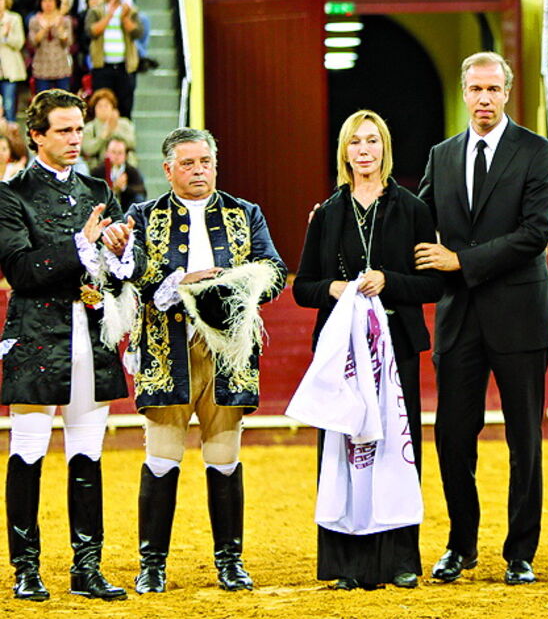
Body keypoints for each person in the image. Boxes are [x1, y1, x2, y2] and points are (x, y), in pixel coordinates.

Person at [416, 51, 548, 586]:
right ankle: (461, 544)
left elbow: (535, 234)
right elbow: (417, 221)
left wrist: (461, 261)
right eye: (475, 89)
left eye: (493, 89)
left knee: (524, 439)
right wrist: (348, 215)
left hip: (520, 316)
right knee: (453, 437)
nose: (483, 99)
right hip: (459, 318)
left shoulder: (538, 151)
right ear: (464, 92)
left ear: (507, 92)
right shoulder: (442, 155)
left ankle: (520, 552)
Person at [124, 128, 287, 594]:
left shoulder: (245, 213)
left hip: (226, 352)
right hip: (167, 348)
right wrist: (183, 282)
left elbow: (274, 271)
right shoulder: (143, 215)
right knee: (161, 458)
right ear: (168, 169)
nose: (199, 171)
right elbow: (132, 273)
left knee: (224, 458)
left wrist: (229, 286)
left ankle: (230, 563)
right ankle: (152, 565)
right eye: (188, 163)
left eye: (206, 162)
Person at [292, 110, 443, 591]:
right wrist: (335, 288)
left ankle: (400, 560)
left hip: (396, 348)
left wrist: (388, 281)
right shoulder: (327, 213)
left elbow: (433, 285)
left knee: (397, 449)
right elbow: (303, 287)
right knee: (343, 449)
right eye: (355, 141)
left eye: (372, 141)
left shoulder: (413, 209)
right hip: (342, 353)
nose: (364, 150)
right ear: (345, 151)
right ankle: (347, 563)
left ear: (385, 148)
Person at [0, 88, 136, 601]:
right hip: (38, 337)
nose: (76, 138)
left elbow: (122, 271)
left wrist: (121, 252)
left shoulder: (97, 189)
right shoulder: (10, 194)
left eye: (79, 128)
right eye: (63, 130)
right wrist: (83, 244)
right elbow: (21, 271)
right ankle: (26, 569)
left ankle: (86, 567)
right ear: (36, 135)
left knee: (87, 454)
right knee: (28, 452)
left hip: (92, 337)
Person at [85, 0, 141, 118]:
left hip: (125, 67)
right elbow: (91, 32)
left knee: (125, 106)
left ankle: (124, 129)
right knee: (101, 103)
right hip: (102, 67)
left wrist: (125, 18)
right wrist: (109, 16)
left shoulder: (130, 11)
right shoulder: (96, 11)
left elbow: (137, 33)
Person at [81, 87, 136, 167]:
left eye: (106, 106)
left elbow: (132, 143)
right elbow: (87, 150)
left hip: (124, 164)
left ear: (112, 108)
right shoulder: (89, 128)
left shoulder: (125, 123)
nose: (103, 109)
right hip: (98, 166)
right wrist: (103, 136)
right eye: (99, 106)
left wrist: (114, 130)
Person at [28, 0, 73, 92]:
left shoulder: (65, 20)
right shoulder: (34, 20)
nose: (47, 4)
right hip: (41, 67)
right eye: (44, 1)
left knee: (63, 98)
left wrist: (60, 29)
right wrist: (44, 28)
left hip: (61, 66)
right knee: (43, 98)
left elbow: (68, 42)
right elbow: (33, 42)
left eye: (50, 1)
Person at [90, 135, 144, 208]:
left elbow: (141, 190)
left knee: (138, 198)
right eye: (113, 152)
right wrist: (113, 187)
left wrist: (124, 187)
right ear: (107, 153)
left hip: (126, 207)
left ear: (126, 155)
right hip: (104, 208)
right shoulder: (98, 171)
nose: (116, 156)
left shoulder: (131, 171)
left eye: (120, 153)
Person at [0, 0, 26, 122]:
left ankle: (11, 130)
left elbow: (19, 43)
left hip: (8, 69)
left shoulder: (14, 19)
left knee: (9, 104)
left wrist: (6, 37)